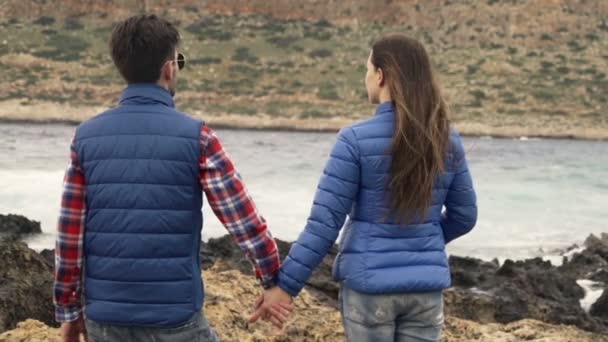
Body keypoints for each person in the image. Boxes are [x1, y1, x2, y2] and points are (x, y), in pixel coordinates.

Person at [53, 14, 291, 342]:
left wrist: (68, 311)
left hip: (105, 318)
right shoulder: (198, 137)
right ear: (169, 68)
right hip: (175, 317)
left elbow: (69, 235)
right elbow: (243, 221)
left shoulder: (86, 137)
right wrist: (272, 281)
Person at [252, 33, 478, 341]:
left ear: (381, 76)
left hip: (369, 287)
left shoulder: (354, 140)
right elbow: (464, 216)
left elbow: (323, 226)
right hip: (426, 290)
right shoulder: (446, 139)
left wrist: (285, 287)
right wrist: (424, 238)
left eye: (367, 69)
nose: (366, 77)